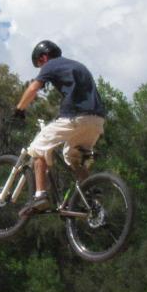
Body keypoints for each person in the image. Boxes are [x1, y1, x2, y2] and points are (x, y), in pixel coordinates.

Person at [13, 40, 106, 216]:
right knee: (72, 157)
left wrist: (19, 109)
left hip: (75, 117)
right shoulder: (79, 66)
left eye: (39, 64)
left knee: (37, 148)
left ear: (44, 57)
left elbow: (33, 88)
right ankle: (91, 197)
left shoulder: (51, 64)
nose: (41, 68)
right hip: (97, 120)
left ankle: (40, 196)